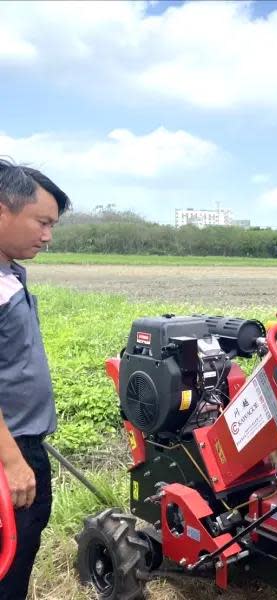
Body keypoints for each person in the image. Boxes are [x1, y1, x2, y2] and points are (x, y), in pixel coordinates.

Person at [0, 159, 70, 598]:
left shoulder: (9, 275)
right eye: (41, 221)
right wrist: (11, 461)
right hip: (10, 451)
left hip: (22, 444)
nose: (47, 235)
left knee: (20, 556)